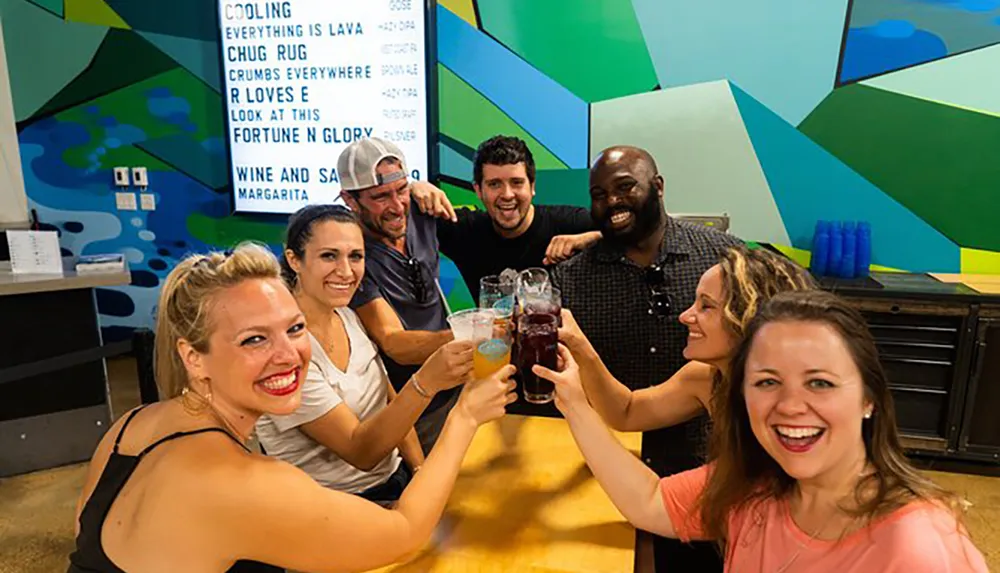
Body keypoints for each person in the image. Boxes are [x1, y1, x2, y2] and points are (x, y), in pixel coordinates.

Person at [67, 243, 517, 573]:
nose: (289, 355)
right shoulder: (246, 483)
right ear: (193, 358)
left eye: (295, 329)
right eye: (254, 339)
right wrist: (466, 416)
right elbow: (403, 533)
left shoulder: (130, 427)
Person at [535, 290, 988, 572]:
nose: (790, 406)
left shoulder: (920, 550)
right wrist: (573, 402)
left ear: (869, 398)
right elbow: (650, 502)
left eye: (820, 383)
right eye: (768, 382)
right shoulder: (755, 485)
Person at [551, 144, 742, 571]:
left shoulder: (725, 260)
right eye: (599, 195)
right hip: (610, 471)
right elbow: (626, 410)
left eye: (624, 188)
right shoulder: (571, 277)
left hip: (712, 484)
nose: (611, 201)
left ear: (657, 187)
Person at [254, 205, 475, 505]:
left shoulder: (347, 316)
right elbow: (362, 452)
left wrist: (420, 471)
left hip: (394, 482)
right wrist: (428, 381)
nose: (346, 271)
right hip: (333, 507)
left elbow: (387, 401)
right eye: (329, 256)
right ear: (294, 260)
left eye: (355, 256)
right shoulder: (284, 352)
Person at [559, 246, 816, 434]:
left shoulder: (790, 409)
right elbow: (627, 412)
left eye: (706, 306)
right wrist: (579, 345)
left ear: (749, 318)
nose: (684, 316)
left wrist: (575, 407)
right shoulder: (706, 378)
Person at [339, 137, 460, 454]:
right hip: (415, 405)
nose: (396, 207)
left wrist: (419, 186)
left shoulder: (421, 211)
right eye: (380, 197)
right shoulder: (352, 257)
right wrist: (468, 336)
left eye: (401, 190)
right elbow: (394, 343)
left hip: (459, 382)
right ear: (350, 201)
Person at [429, 135, 600, 304]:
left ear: (532, 186)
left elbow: (625, 233)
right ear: (478, 190)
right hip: (491, 332)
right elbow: (406, 219)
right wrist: (415, 187)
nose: (507, 195)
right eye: (494, 184)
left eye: (517, 182)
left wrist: (586, 239)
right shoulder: (465, 230)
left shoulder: (569, 223)